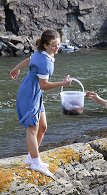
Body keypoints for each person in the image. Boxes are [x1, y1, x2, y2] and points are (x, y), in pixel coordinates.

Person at [9, 29, 72, 176]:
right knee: (32, 128)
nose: (57, 48)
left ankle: (31, 158)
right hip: (30, 93)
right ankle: (36, 162)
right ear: (45, 45)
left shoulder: (42, 54)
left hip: (35, 92)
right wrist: (62, 83)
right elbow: (44, 85)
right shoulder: (44, 62)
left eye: (58, 44)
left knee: (43, 127)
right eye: (53, 45)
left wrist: (16, 68)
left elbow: (29, 60)